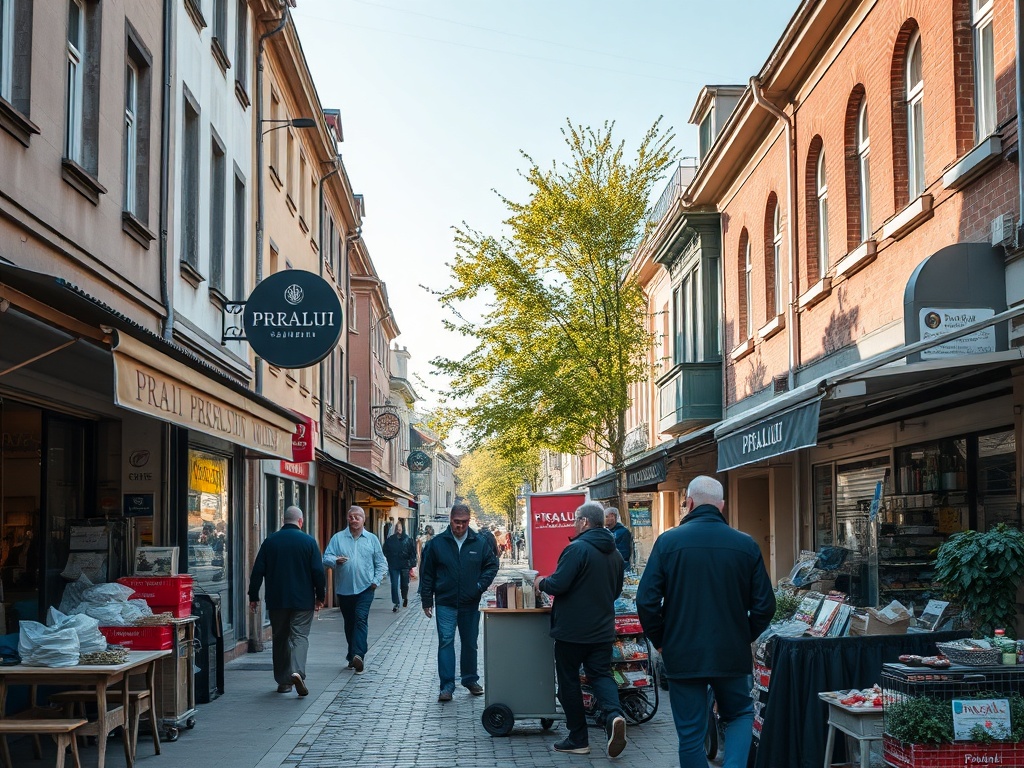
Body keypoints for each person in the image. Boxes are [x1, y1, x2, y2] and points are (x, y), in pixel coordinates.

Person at [636, 476, 776, 768]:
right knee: (739, 714)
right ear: (722, 506)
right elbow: (765, 605)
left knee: (690, 732)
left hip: (682, 653)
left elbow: (646, 601)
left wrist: (661, 640)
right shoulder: (745, 545)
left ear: (688, 503)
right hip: (730, 652)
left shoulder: (668, 542)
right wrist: (743, 635)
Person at [537, 502, 627, 758]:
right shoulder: (616, 554)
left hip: (572, 631)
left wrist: (541, 582)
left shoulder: (576, 549)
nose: (574, 524)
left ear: (585, 522)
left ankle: (578, 738)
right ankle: (614, 716)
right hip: (602, 629)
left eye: (576, 520)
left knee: (568, 682)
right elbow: (616, 592)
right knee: (601, 675)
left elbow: (559, 584)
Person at [419, 504, 499, 702]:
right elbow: (427, 573)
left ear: (469, 521)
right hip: (445, 601)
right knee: (446, 642)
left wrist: (480, 585)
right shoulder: (437, 544)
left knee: (470, 643)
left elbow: (492, 565)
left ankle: (470, 679)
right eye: (457, 522)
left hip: (470, 603)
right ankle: (446, 686)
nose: (460, 526)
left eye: (464, 522)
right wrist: (427, 599)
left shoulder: (479, 543)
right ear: (450, 520)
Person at [247, 506, 326, 696]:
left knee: (280, 638)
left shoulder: (270, 541)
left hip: (277, 600)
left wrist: (253, 596)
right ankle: (297, 672)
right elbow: (318, 572)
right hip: (303, 601)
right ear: (301, 521)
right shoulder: (308, 542)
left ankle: (283, 682)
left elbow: (258, 571)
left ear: (284, 520)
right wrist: (320, 597)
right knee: (299, 637)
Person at [323, 506, 387, 674]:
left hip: (366, 588)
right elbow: (326, 557)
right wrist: (335, 560)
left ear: (363, 519)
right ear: (347, 519)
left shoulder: (372, 539)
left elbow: (381, 563)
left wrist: (375, 581)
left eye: (357, 516)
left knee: (360, 619)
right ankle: (352, 655)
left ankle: (359, 655)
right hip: (344, 589)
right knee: (350, 623)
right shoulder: (338, 538)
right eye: (351, 516)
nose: (354, 519)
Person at [382, 520, 416, 611]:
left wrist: (411, 564)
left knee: (404, 584)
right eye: (397, 528)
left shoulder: (408, 539)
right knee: (394, 584)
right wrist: (389, 558)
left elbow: (413, 552)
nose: (398, 530)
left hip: (404, 565)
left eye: (400, 528)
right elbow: (385, 550)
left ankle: (404, 597)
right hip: (393, 565)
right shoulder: (391, 540)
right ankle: (396, 602)